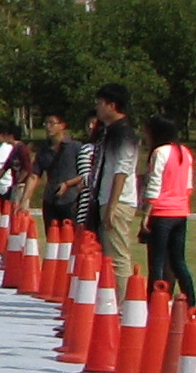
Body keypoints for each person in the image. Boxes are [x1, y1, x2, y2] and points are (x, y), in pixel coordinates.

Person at [91, 85, 142, 285]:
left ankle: (122, 304)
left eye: (100, 104)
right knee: (108, 255)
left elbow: (122, 170)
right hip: (105, 197)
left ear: (112, 106)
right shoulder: (108, 132)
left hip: (118, 200)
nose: (97, 107)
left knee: (117, 257)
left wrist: (112, 204)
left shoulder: (124, 133)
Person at [143, 117, 192, 303]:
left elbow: (155, 185)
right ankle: (191, 300)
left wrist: (146, 214)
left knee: (157, 261)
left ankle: (154, 301)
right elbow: (187, 186)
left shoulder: (159, 152)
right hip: (180, 211)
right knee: (178, 261)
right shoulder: (184, 152)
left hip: (162, 212)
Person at [36, 112, 89, 231]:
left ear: (62, 125)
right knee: (52, 238)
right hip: (50, 200)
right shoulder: (43, 149)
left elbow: (85, 173)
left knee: (70, 239)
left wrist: (68, 184)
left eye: (52, 123)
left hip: (71, 200)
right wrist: (25, 199)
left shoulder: (76, 147)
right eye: (46, 123)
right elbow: (34, 175)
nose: (48, 127)